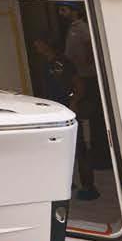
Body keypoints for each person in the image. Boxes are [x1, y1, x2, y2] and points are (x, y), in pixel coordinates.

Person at [31, 31, 99, 201]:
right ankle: (67, 183)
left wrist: (74, 103)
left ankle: (88, 187)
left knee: (79, 149)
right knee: (60, 149)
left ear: (46, 44)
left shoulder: (62, 63)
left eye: (39, 43)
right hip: (54, 112)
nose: (36, 46)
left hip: (67, 111)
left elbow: (79, 85)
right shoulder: (47, 64)